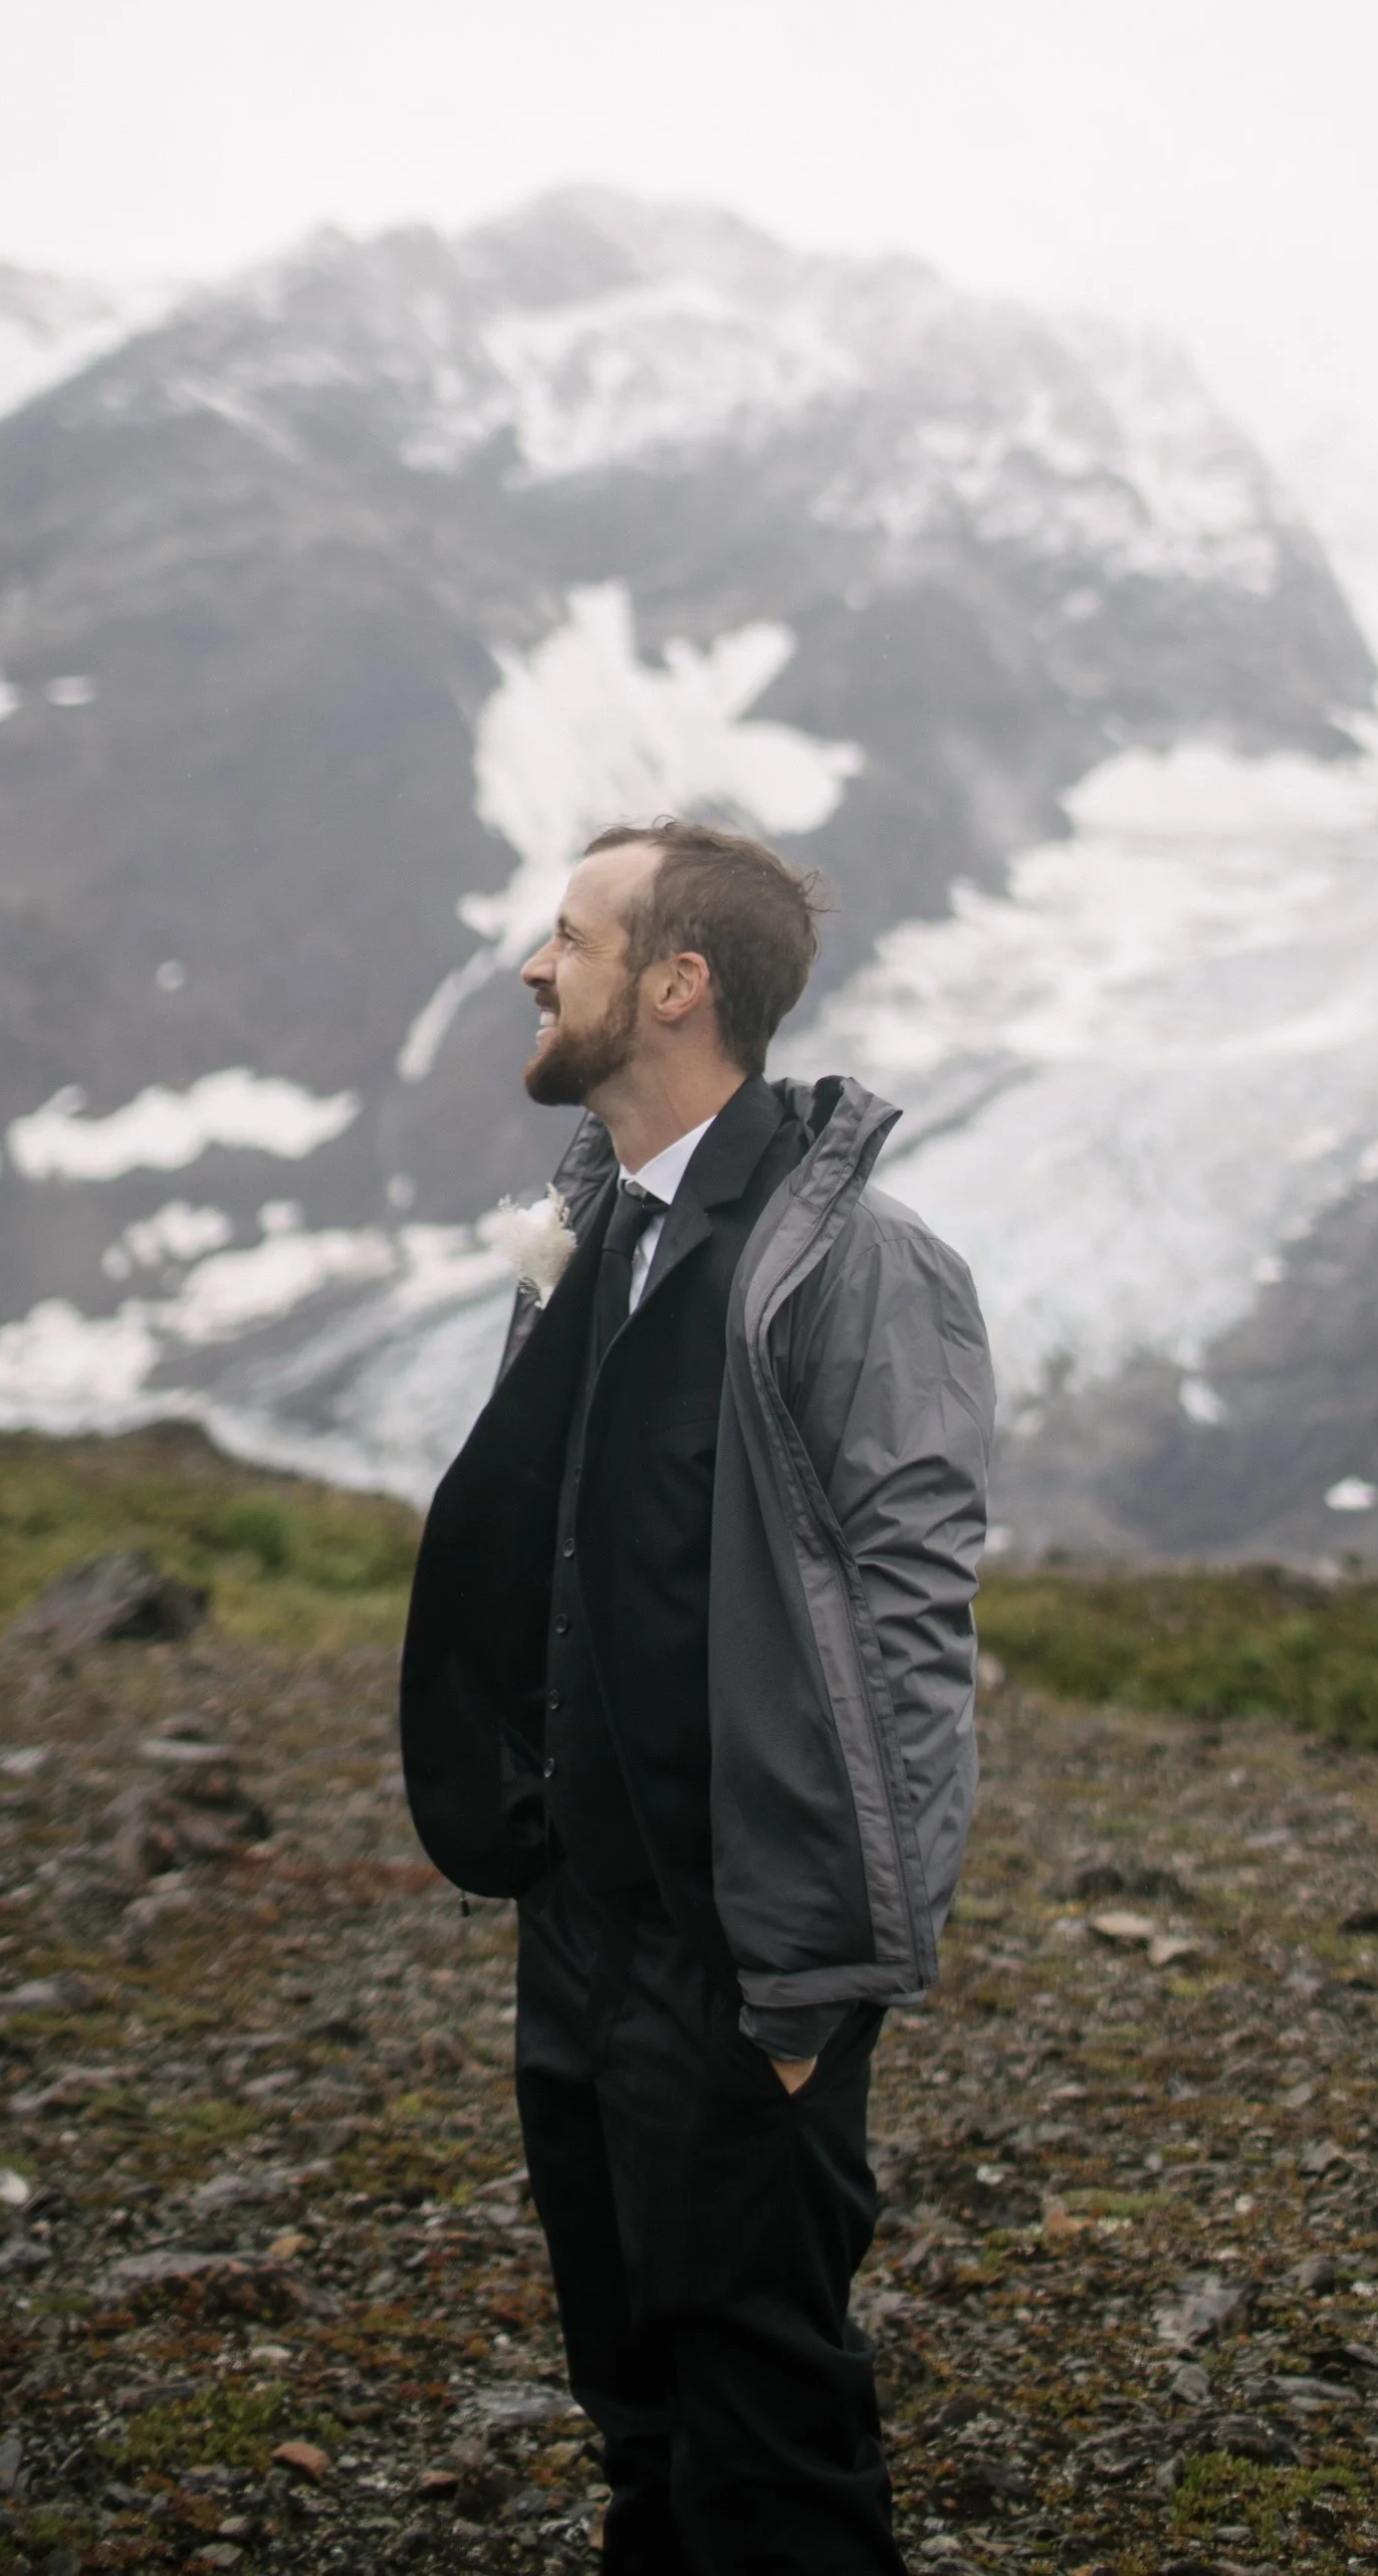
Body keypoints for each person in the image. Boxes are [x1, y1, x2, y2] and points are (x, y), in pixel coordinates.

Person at [399, 818, 994, 2576]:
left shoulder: (857, 1267)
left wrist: (820, 1968)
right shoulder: (602, 1233)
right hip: (586, 1931)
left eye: (570, 936)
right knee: (637, 2397)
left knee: (766, 2428)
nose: (530, 963)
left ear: (677, 984)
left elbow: (909, 1635)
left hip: (749, 1951)